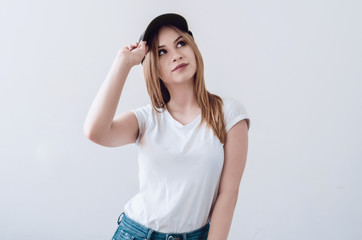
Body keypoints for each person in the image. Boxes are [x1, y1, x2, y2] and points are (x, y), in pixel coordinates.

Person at [83, 13, 250, 240]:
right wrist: (123, 62)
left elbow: (228, 194)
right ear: (154, 67)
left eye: (180, 43)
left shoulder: (229, 114)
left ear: (193, 49)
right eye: (162, 52)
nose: (176, 55)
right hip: (136, 233)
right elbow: (95, 131)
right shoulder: (147, 119)